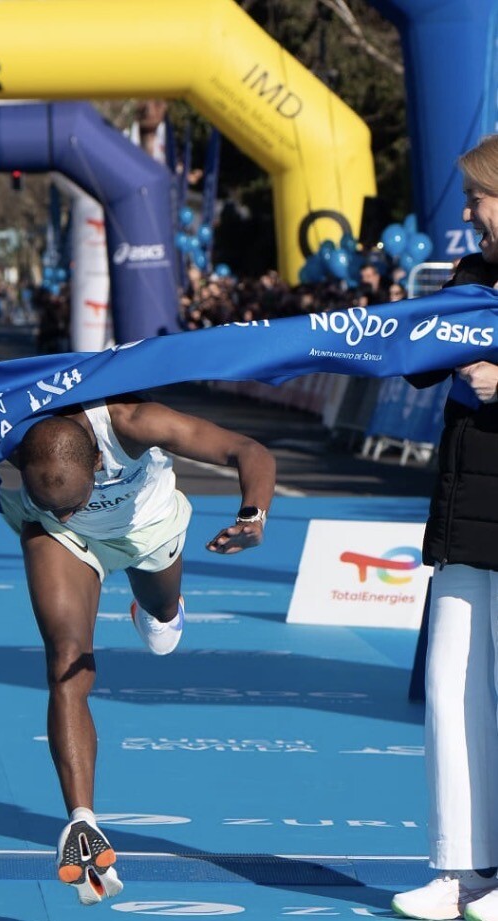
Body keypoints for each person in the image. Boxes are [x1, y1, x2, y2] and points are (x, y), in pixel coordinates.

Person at [0, 392, 275, 905]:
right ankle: (82, 821)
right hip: (58, 537)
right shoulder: (8, 433)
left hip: (146, 528)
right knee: (66, 663)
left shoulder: (134, 422)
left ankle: (159, 608)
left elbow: (248, 450)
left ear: (97, 460)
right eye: (53, 497)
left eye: (73, 499)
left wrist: (254, 515)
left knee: (163, 628)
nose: (70, 506)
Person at [393, 135, 498, 921]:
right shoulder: (469, 276)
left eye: (478, 198)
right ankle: (459, 867)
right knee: (450, 687)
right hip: (464, 509)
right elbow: (416, 363)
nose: (468, 213)